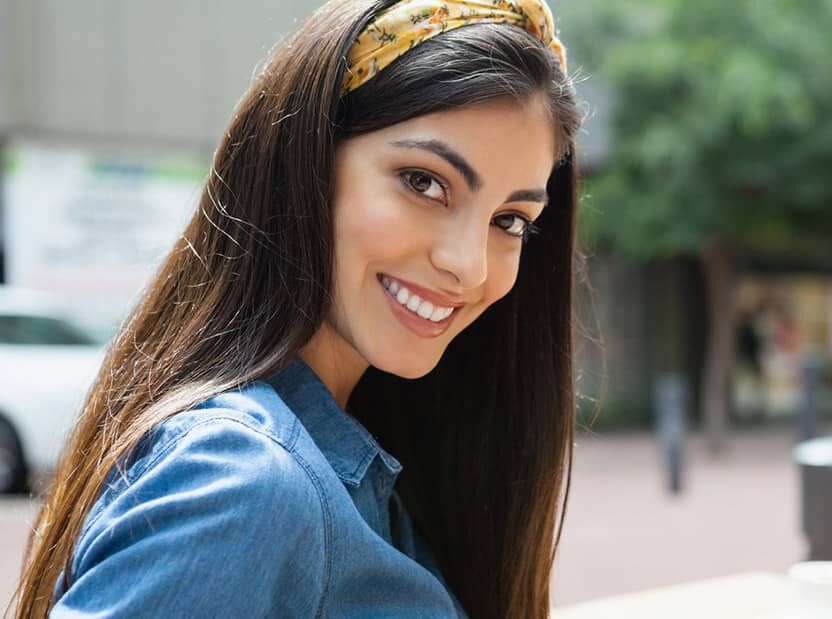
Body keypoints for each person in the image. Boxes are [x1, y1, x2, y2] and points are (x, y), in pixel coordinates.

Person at [12, 0, 580, 617]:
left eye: (510, 221)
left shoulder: (368, 466)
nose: (469, 265)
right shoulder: (244, 481)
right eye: (424, 182)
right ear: (303, 159)